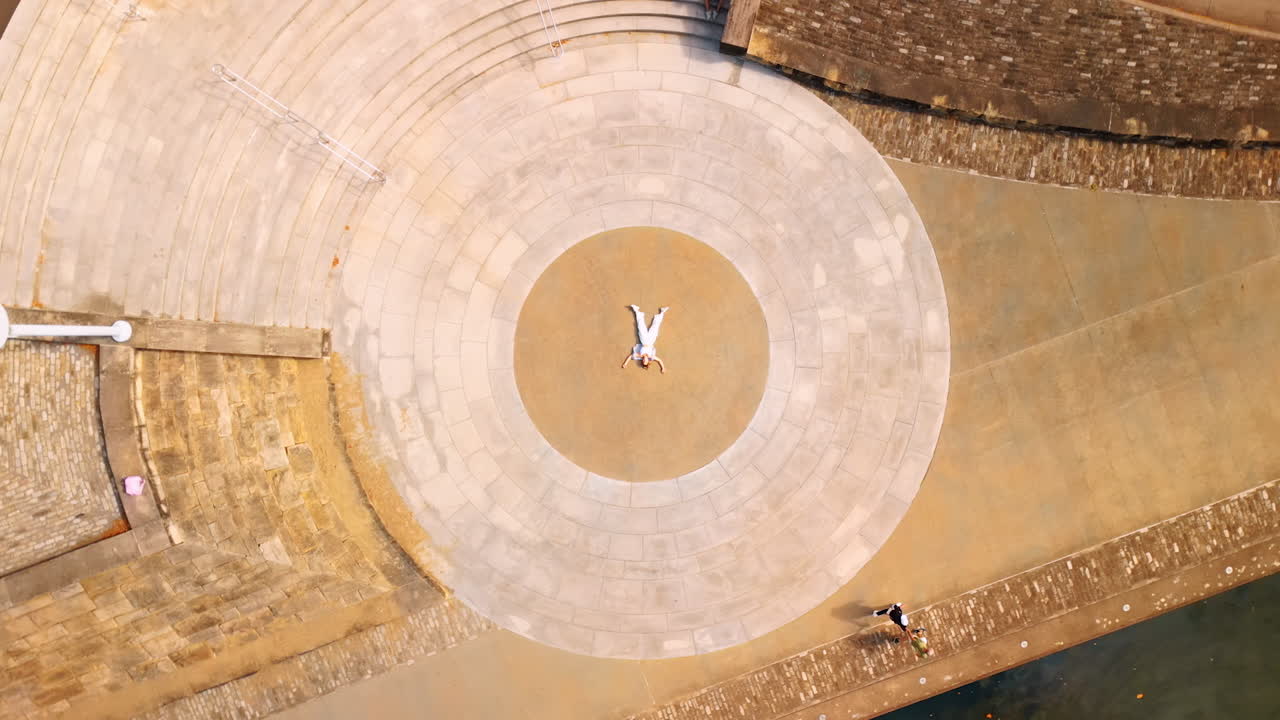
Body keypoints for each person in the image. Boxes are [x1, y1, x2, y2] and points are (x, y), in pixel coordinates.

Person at [621, 305, 668, 373]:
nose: (644, 360)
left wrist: (625, 364)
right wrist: (663, 368)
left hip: (644, 340)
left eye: (643, 361)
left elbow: (630, 356)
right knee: (655, 326)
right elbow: (659, 360)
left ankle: (636, 310)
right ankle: (662, 312)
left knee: (640, 325)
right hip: (651, 340)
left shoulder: (639, 356)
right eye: (645, 361)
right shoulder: (651, 357)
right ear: (648, 361)